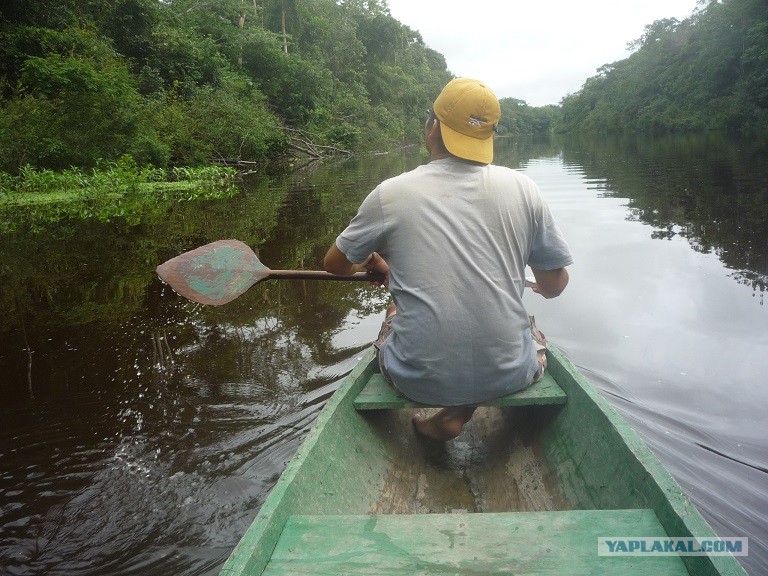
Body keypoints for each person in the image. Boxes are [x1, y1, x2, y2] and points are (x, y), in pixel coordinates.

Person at [324, 78, 572, 441]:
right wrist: (541, 284)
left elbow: (335, 266)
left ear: (432, 127)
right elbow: (554, 285)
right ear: (488, 137)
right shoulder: (525, 189)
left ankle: (453, 410)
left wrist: (370, 259)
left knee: (395, 310)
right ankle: (463, 409)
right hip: (511, 375)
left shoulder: (389, 194)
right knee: (530, 329)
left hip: (415, 381)